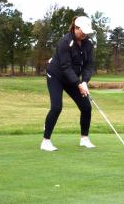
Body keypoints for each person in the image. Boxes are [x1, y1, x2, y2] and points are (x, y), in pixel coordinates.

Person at [40, 16, 96, 151]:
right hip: (56, 76)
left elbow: (89, 66)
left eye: (87, 32)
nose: (85, 34)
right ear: (75, 28)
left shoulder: (88, 44)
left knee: (86, 107)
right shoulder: (64, 42)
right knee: (56, 107)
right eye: (83, 31)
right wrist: (78, 83)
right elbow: (65, 67)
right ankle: (45, 141)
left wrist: (85, 82)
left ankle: (84, 138)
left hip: (72, 78)